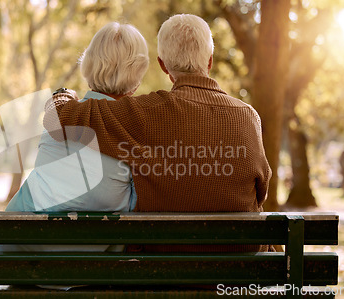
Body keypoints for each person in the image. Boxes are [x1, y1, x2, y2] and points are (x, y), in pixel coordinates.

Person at [45, 14, 272, 252]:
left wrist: (64, 94)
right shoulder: (248, 116)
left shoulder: (145, 113)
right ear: (210, 61)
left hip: (163, 269)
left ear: (163, 65)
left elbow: (59, 116)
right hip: (242, 271)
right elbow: (261, 190)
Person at [0, 22, 149, 253]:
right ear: (137, 75)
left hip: (22, 256)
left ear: (88, 65)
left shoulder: (59, 116)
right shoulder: (138, 131)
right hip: (94, 267)